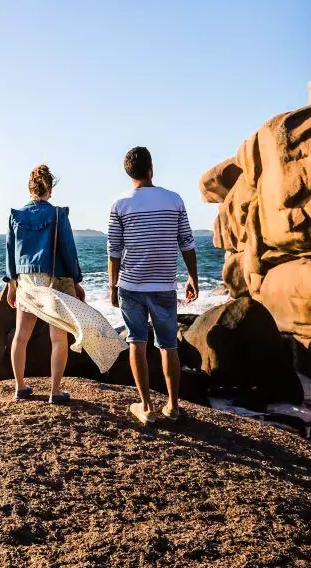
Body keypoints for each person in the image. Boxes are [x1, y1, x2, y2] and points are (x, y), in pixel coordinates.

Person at [107, 146, 199, 424]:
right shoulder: (174, 200)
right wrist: (192, 276)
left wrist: (113, 287)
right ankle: (172, 406)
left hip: (131, 286)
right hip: (163, 285)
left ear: (128, 173)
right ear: (151, 168)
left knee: (136, 342)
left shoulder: (120, 204)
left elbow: (114, 250)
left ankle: (146, 407)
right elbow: (187, 242)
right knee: (168, 346)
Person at [4, 164, 85, 403]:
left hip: (27, 282)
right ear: (49, 189)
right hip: (52, 281)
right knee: (58, 338)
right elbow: (69, 251)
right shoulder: (58, 215)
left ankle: (20, 387)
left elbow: (10, 252)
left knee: (21, 336)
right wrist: (77, 281)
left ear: (30, 190)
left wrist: (11, 283)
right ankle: (55, 391)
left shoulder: (15, 215)